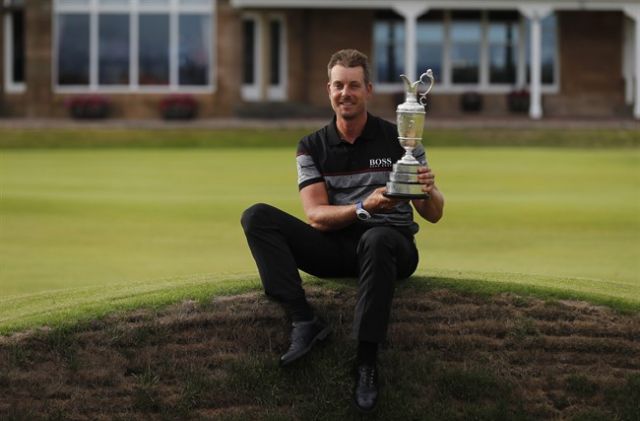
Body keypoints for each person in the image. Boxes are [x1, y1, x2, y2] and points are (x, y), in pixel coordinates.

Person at [240, 49, 444, 413]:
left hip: (392, 248)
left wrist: (427, 188)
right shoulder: (311, 146)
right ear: (328, 90)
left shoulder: (398, 138)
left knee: (377, 237)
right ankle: (304, 320)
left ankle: (366, 364)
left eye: (353, 85)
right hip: (338, 247)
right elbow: (316, 215)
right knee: (257, 217)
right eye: (338, 86)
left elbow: (434, 214)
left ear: (368, 90)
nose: (344, 93)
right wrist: (365, 206)